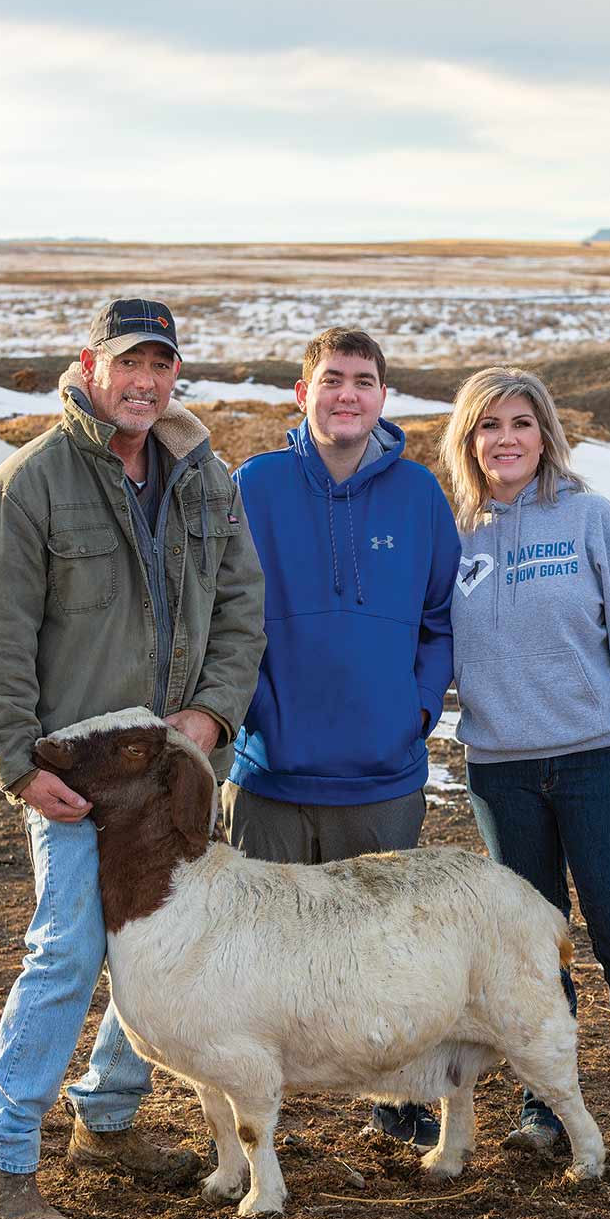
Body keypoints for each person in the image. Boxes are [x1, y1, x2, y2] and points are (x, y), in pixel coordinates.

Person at [0, 297, 266, 1219]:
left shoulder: (203, 479)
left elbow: (241, 607)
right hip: (79, 776)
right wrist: (16, 763)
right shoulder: (30, 487)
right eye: (126, 363)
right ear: (88, 365)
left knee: (163, 945)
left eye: (160, 365)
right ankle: (3, 1159)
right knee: (68, 951)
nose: (143, 382)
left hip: (177, 772)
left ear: (175, 375)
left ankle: (108, 1121)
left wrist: (212, 714)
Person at [438, 366, 610, 1173]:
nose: (504, 440)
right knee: (532, 955)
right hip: (501, 774)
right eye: (487, 426)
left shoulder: (589, 520)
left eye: (520, 423)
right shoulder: (456, 534)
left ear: (544, 434)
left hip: (596, 763)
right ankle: (545, 1105)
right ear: (467, 440)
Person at [221, 326, 460, 1149]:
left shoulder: (421, 496)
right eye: (331, 379)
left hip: (383, 775)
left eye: (363, 379)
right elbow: (226, 613)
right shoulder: (254, 485)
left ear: (383, 396)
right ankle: (253, 1119)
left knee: (387, 952)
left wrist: (416, 712)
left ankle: (400, 1099)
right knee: (254, 955)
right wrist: (256, 714)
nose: (347, 393)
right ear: (303, 393)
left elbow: (439, 622)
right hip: (271, 774)